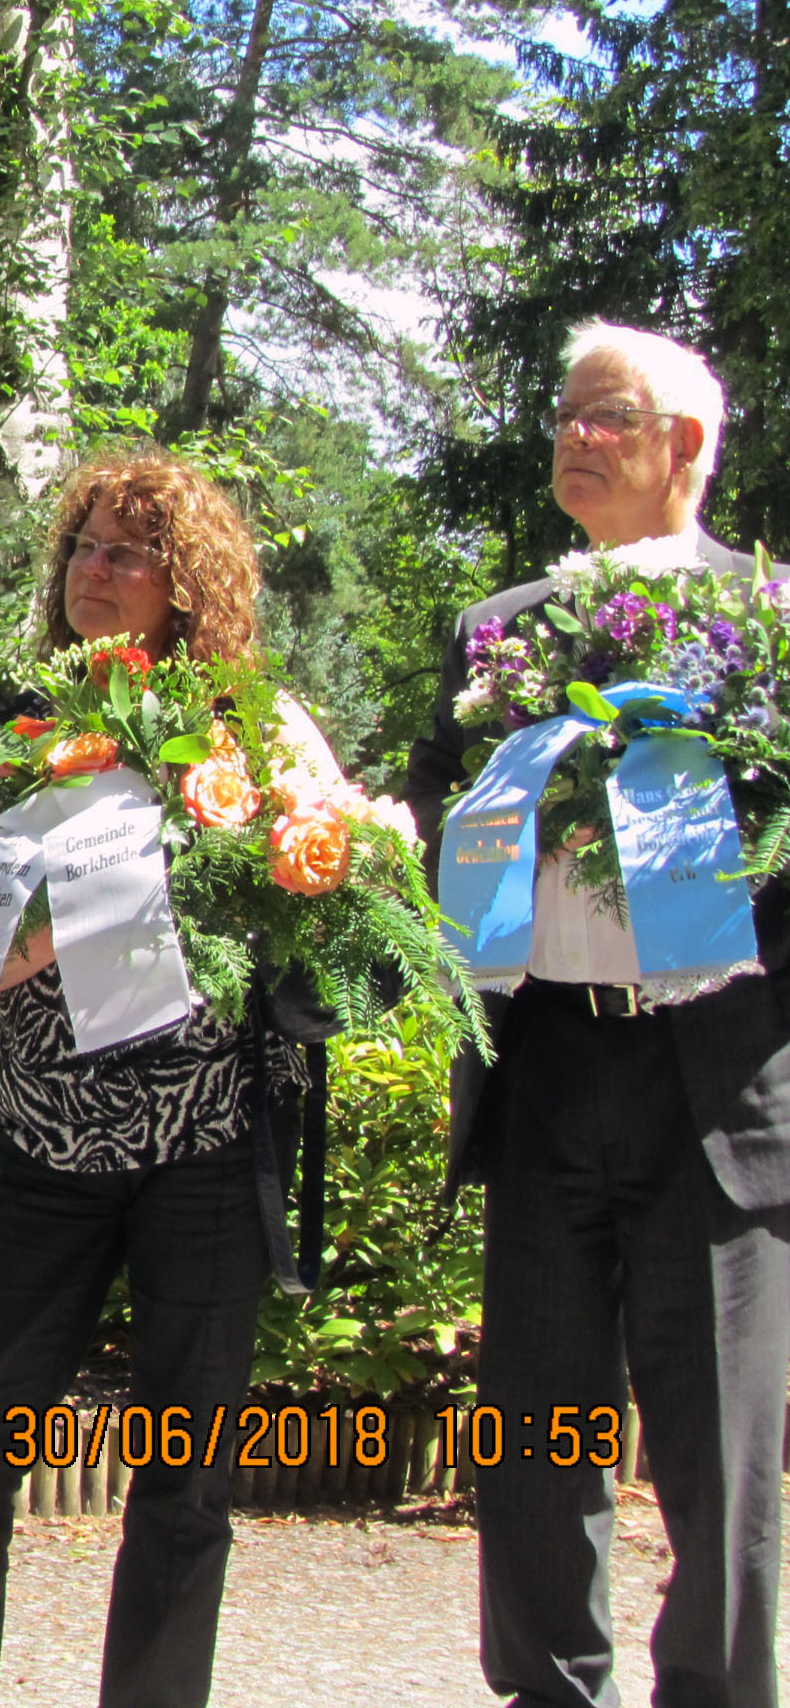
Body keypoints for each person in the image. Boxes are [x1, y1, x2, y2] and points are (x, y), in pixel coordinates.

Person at [0, 451, 332, 1708]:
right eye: (84, 544)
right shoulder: (13, 721)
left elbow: (318, 882)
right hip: (43, 1144)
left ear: (187, 581)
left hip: (204, 1143)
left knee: (185, 1480)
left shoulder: (257, 725)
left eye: (129, 550)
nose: (96, 568)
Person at [402, 322, 789, 1708]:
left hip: (714, 1077)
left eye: (608, 416)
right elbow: (433, 799)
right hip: (548, 1061)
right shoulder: (500, 627)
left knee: (717, 1442)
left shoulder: (770, 617)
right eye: (566, 414)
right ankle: (551, 1690)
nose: (576, 436)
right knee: (539, 1429)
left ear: (686, 443)